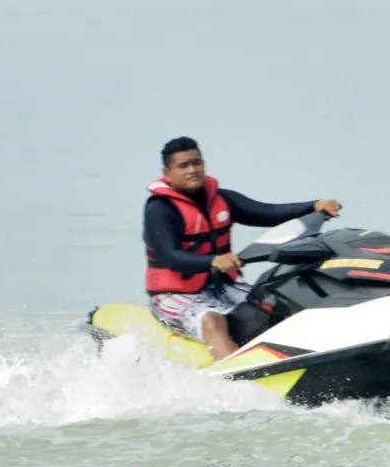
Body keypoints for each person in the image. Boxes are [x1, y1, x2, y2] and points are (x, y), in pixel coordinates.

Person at [144, 136, 342, 360]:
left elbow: (266, 212)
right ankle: (237, 379)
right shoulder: (160, 209)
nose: (192, 170)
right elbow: (170, 256)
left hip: (219, 286)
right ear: (167, 173)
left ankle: (318, 354)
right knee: (212, 319)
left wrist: (314, 205)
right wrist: (212, 261)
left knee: (277, 300)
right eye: (183, 166)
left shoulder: (221, 198)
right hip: (173, 293)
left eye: (197, 163)